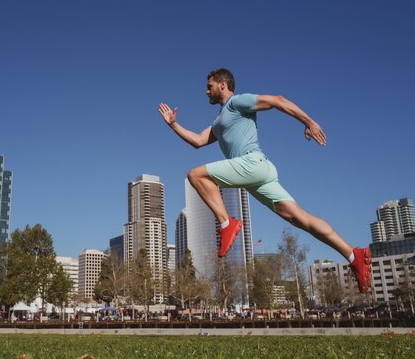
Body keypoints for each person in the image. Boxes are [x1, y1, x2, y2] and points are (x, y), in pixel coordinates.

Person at [158, 68, 372, 293]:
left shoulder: (238, 103)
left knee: (195, 174)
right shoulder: (219, 121)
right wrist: (173, 124)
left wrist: (309, 122)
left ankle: (226, 223)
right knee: (299, 218)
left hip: (253, 163)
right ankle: (352, 254)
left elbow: (277, 101)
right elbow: (198, 141)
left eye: (209, 86)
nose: (205, 91)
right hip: (258, 175)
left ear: (222, 85)